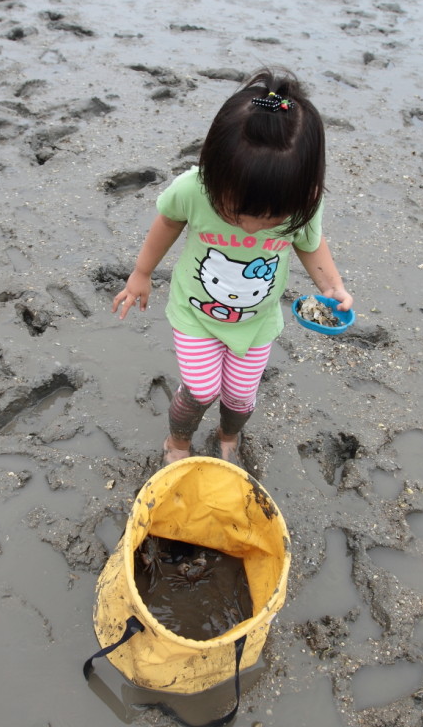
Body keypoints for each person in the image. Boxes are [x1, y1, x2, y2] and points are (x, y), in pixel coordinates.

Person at [112, 68, 354, 467]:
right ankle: (178, 440)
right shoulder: (194, 188)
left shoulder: (304, 200)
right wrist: (141, 273)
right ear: (214, 171)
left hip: (256, 321)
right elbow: (169, 222)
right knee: (202, 389)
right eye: (238, 212)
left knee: (242, 395)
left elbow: (311, 245)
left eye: (271, 217)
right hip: (197, 313)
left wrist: (333, 288)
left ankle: (228, 434)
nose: (252, 226)